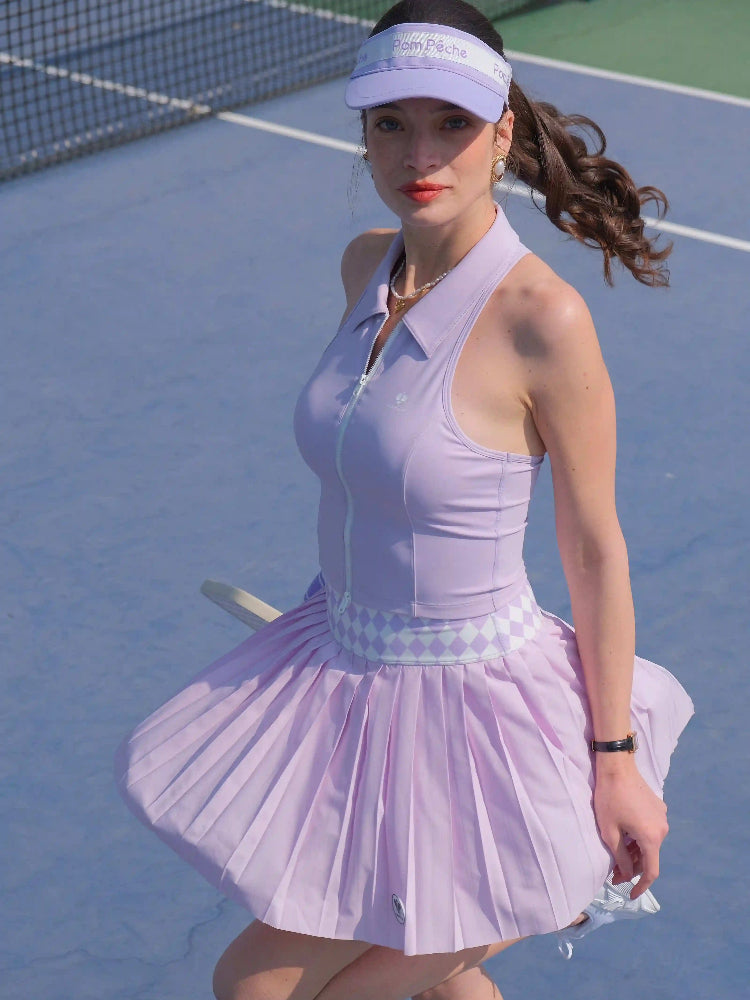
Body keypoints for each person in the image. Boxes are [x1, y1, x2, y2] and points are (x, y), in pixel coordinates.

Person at [114, 1, 695, 997]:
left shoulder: (540, 320)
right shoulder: (364, 267)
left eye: (451, 123)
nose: (418, 152)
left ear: (502, 132)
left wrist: (614, 762)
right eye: (390, 122)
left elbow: (596, 551)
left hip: (478, 726)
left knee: (254, 987)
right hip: (344, 682)